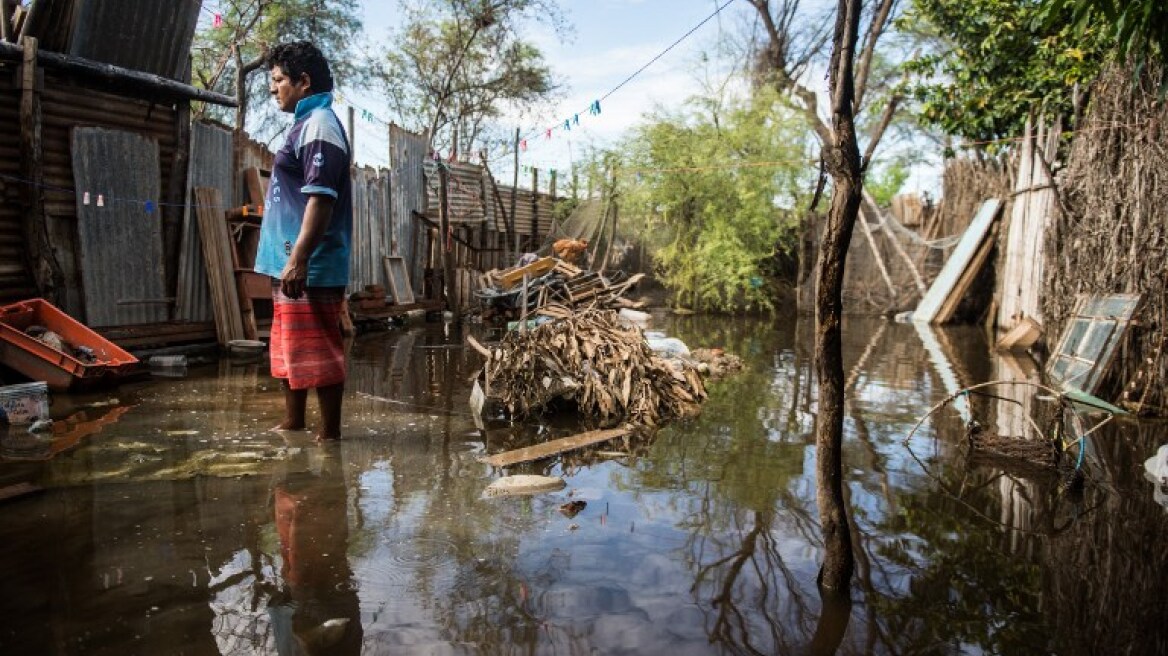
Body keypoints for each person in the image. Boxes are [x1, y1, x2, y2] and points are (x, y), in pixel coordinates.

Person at [254, 41, 352, 441]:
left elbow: (321, 199)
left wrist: (298, 258)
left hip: (308, 263)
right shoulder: (304, 123)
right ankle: (294, 421)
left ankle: (330, 436)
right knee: (287, 348)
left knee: (319, 350)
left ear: (303, 81)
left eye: (278, 80)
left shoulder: (320, 125)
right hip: (288, 261)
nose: (273, 89)